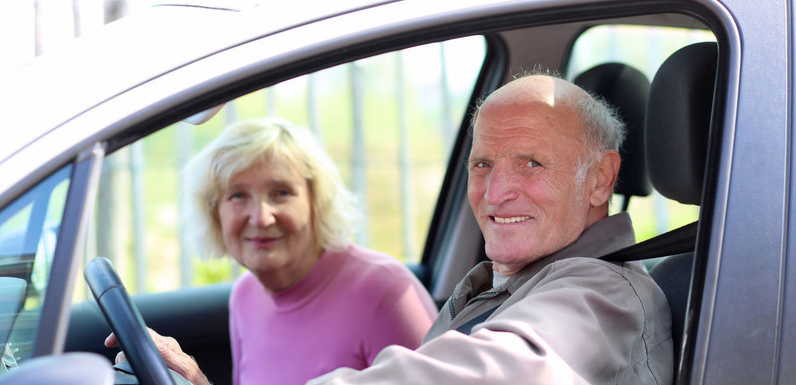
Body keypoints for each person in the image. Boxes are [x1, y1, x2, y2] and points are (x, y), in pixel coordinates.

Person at [113, 74, 673, 383]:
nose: (496, 191)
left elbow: (489, 377)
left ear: (601, 180)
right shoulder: (504, 285)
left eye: (531, 163)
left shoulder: (603, 292)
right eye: (482, 164)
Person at [104, 118, 437, 385]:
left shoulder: (385, 291)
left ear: (316, 202)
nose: (261, 217)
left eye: (281, 193)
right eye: (238, 195)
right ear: (214, 213)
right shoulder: (245, 295)